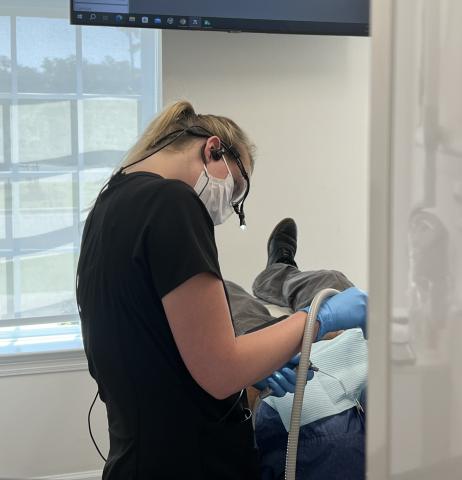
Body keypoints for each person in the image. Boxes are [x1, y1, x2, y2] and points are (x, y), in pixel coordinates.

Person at [76, 101, 367, 480]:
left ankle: (279, 268)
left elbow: (157, 354)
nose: (228, 206)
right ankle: (280, 270)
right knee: (317, 289)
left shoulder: (108, 205)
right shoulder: (171, 202)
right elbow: (220, 369)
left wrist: (254, 370)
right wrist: (318, 317)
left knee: (240, 302)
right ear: (213, 149)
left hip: (141, 459)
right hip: (192, 465)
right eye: (236, 190)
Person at [225, 218, 367, 480]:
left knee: (228, 297)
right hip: (348, 348)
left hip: (290, 378)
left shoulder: (325, 443)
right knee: (333, 283)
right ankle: (279, 272)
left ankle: (275, 275)